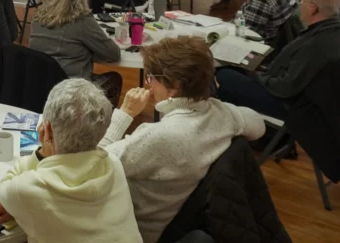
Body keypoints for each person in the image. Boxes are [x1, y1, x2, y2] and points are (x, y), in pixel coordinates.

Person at [98, 36, 265, 243]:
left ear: (174, 85)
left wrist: (124, 113)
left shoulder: (159, 137)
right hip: (177, 221)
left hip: (132, 230)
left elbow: (90, 165)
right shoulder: (221, 114)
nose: (148, 84)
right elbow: (259, 126)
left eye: (152, 77)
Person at [0, 78, 142, 243]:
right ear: (102, 132)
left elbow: (4, 190)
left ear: (46, 130)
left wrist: (42, 153)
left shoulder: (28, 188)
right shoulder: (114, 164)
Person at [217, 0, 340, 119]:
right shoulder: (334, 33)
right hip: (306, 97)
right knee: (238, 68)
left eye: (303, 0)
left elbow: (285, 88)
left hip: (291, 106)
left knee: (223, 75)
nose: (301, 4)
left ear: (313, 9)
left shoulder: (317, 45)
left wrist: (255, 75)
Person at [30, 0, 123, 102]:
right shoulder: (81, 20)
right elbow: (113, 54)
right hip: (71, 91)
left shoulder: (37, 18)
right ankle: (98, 120)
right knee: (114, 79)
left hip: (40, 85)